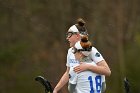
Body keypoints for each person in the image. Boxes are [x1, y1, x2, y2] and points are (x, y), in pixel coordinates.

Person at [53, 18, 111, 93]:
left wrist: (87, 67)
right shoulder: (70, 51)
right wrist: (56, 90)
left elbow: (107, 71)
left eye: (69, 34)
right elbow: (68, 73)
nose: (67, 38)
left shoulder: (92, 50)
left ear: (77, 35)